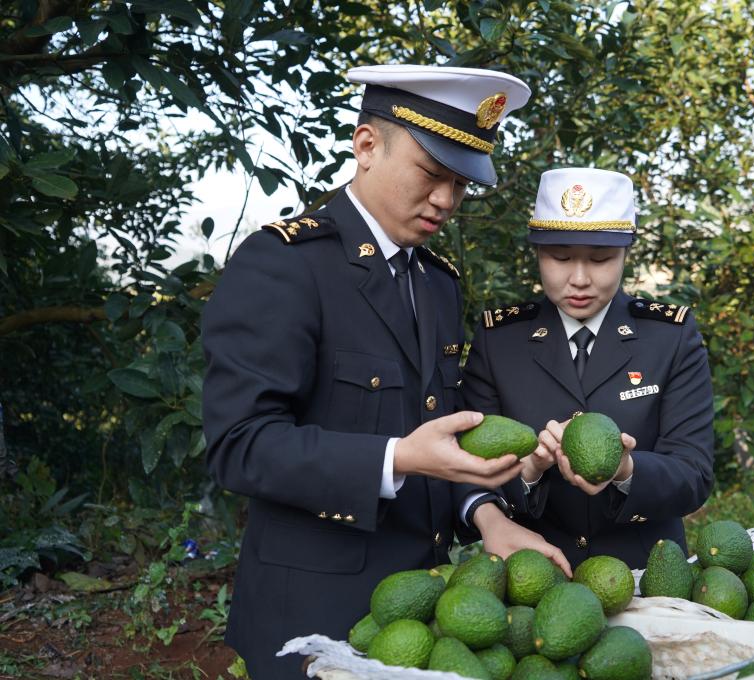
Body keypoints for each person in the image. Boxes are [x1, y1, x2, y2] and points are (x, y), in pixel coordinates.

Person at [202, 64, 567, 679]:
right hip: (313, 613)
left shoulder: (437, 284)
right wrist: (397, 458)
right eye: (431, 173)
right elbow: (239, 445)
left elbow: (439, 437)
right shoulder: (285, 265)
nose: (446, 200)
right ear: (367, 146)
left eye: (460, 183)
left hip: (423, 612)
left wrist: (488, 517)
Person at [459, 167, 715, 569]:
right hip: (530, 572)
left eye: (600, 259)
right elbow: (466, 468)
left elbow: (694, 474)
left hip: (648, 575)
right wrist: (529, 470)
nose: (579, 279)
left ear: (626, 253)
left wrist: (626, 469)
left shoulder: (669, 337)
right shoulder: (500, 341)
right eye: (560, 257)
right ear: (537, 253)